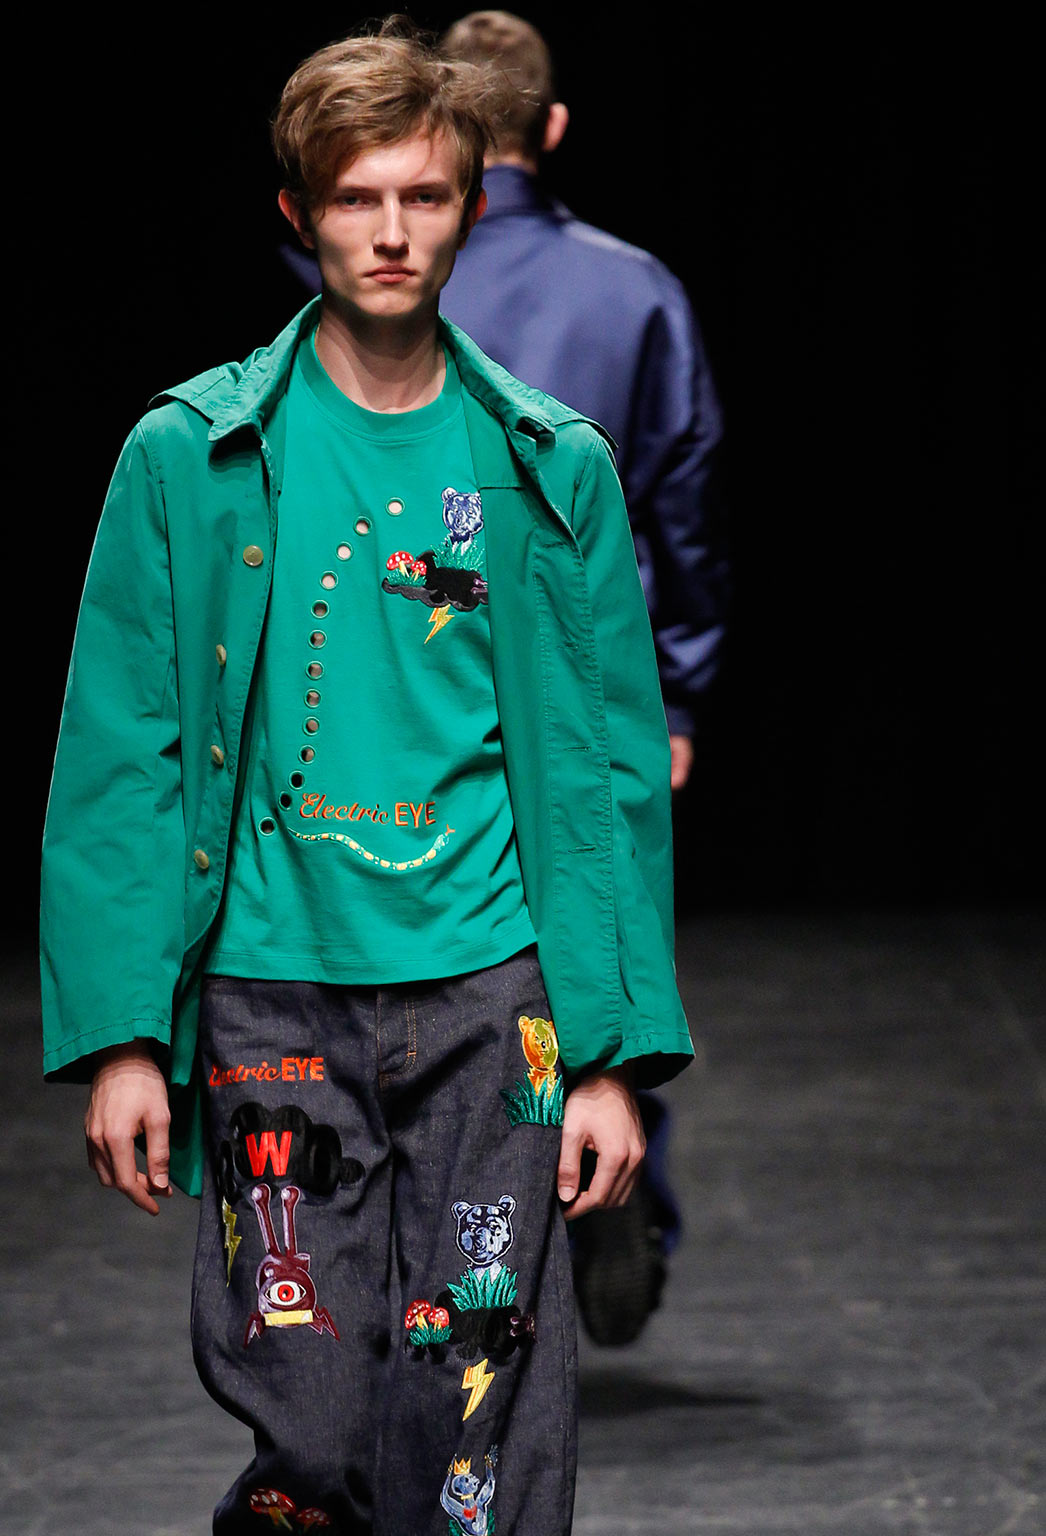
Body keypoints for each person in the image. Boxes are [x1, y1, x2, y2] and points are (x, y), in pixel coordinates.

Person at [40, 21, 690, 1536]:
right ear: (296, 216)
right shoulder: (191, 455)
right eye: (356, 201)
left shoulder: (546, 467)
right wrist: (123, 1032)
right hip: (268, 1006)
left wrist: (610, 1055)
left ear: (469, 203)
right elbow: (128, 746)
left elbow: (601, 769)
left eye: (425, 196)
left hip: (493, 1016)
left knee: (474, 1465)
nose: (394, 232)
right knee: (315, 1444)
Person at [438, 11, 729, 1350]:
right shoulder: (636, 288)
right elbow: (682, 508)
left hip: (424, 674)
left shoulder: (380, 288)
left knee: (445, 954)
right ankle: (610, 1172)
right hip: (594, 680)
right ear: (552, 129)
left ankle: (467, 1243)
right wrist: (678, 690)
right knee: (596, 934)